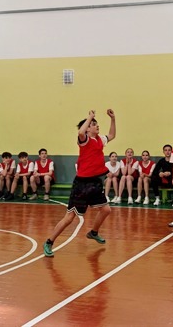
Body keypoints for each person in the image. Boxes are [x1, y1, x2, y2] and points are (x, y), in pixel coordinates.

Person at [43, 109, 116, 257]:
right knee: (70, 217)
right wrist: (89, 117)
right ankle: (49, 242)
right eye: (93, 124)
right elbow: (81, 132)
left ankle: (93, 232)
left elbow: (112, 135)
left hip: (95, 182)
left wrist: (113, 119)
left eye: (96, 123)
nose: (97, 126)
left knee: (106, 210)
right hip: (81, 185)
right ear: (88, 128)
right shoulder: (84, 140)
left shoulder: (100, 140)